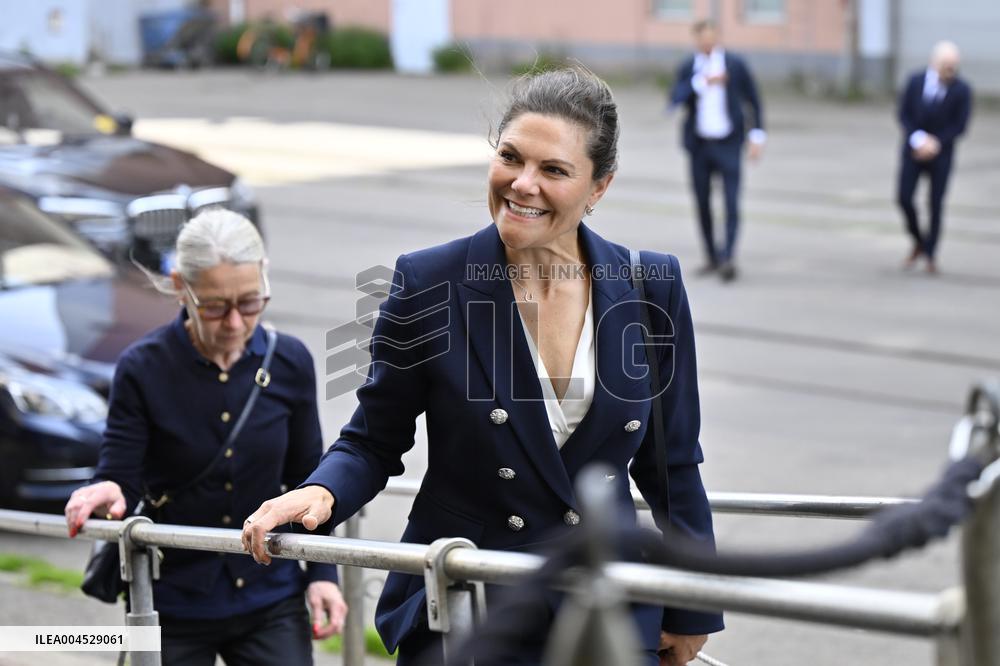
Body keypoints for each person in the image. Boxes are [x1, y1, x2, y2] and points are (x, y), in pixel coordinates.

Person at [242, 67, 723, 666]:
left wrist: (692, 606)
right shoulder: (428, 283)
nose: (522, 184)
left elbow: (672, 464)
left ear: (599, 187)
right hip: (468, 603)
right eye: (510, 157)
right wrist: (318, 491)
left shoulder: (652, 288)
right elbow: (372, 440)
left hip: (603, 608)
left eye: (553, 170)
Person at [64, 209, 347, 665]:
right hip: (171, 601)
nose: (235, 323)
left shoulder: (290, 361)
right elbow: (120, 474)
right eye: (215, 306)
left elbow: (307, 482)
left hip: (269, 597)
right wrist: (108, 488)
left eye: (251, 302)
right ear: (181, 287)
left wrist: (322, 575)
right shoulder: (142, 367)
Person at [670, 19, 765, 282]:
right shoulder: (690, 67)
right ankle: (711, 256)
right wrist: (701, 82)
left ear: (719, 37)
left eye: (712, 37)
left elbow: (754, 100)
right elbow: (675, 99)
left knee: (732, 201)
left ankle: (728, 258)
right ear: (696, 40)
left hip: (729, 143)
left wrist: (757, 136)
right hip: (699, 146)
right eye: (702, 38)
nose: (707, 43)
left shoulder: (735, 64)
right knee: (702, 202)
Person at [897, 41, 972, 275]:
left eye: (954, 66)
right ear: (934, 62)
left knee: (936, 203)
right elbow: (903, 114)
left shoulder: (962, 90)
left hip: (941, 154)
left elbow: (960, 125)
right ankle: (918, 240)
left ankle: (930, 253)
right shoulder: (915, 81)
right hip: (913, 150)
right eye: (946, 65)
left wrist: (936, 143)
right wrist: (919, 140)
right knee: (904, 198)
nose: (950, 70)